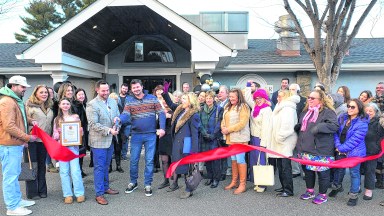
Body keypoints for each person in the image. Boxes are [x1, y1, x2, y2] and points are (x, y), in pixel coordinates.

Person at [0, 75, 38, 216]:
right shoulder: (7, 102)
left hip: (13, 144)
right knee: (10, 176)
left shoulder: (13, 100)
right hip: (9, 145)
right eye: (22, 87)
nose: (24, 90)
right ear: (13, 86)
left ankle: (16, 201)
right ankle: (12, 207)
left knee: (14, 175)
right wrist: (27, 137)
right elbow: (9, 126)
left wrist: (30, 121)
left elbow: (18, 117)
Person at [123, 79, 165, 197]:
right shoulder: (129, 100)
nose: (136, 89)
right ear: (131, 90)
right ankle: (133, 182)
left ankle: (148, 184)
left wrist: (162, 128)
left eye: (137, 87)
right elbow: (125, 115)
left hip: (150, 135)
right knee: (133, 160)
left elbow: (161, 113)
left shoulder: (152, 98)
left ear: (142, 87)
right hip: (136, 135)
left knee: (149, 160)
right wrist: (118, 120)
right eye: (134, 88)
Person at [296, 90, 339, 205]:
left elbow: (334, 126)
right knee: (308, 172)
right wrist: (298, 127)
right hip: (305, 148)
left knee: (322, 174)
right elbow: (303, 127)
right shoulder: (305, 112)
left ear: (321, 100)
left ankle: (322, 194)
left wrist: (320, 127)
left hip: (321, 150)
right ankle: (310, 191)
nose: (309, 99)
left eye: (313, 98)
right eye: (309, 97)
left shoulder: (328, 112)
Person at [162, 86, 200, 198]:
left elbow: (195, 134)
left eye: (184, 99)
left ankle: (189, 189)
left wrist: (194, 150)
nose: (181, 100)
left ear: (190, 101)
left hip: (186, 144)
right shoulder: (180, 110)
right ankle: (183, 186)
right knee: (179, 166)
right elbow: (170, 103)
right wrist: (165, 92)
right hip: (178, 143)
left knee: (187, 167)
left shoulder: (194, 115)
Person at [86, 80, 120, 205]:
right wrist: (109, 130)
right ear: (97, 90)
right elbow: (93, 124)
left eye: (107, 90)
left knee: (106, 165)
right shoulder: (92, 105)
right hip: (99, 141)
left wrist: (117, 121)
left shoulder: (112, 101)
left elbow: (117, 116)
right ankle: (99, 194)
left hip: (110, 139)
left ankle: (106, 187)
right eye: (103, 91)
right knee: (99, 167)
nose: (106, 93)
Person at [332, 99, 368, 206]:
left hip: (355, 153)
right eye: (348, 106)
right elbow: (336, 132)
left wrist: (341, 148)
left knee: (354, 174)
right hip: (340, 149)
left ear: (359, 108)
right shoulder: (342, 117)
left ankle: (353, 195)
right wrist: (338, 146)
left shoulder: (362, 123)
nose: (349, 109)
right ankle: (337, 187)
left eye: (353, 107)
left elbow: (355, 140)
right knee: (338, 171)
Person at [52, 97, 85, 204]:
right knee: (64, 172)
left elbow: (81, 133)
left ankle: (79, 193)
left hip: (73, 148)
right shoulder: (57, 119)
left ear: (70, 105)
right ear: (60, 106)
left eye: (67, 103)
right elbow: (54, 136)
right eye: (63, 104)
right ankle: (67, 194)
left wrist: (80, 131)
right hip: (62, 148)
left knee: (75, 171)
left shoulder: (75, 117)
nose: (65, 105)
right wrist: (60, 132)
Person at [25, 85, 54, 200]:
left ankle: (42, 190)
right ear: (35, 93)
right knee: (30, 166)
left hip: (44, 141)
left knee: (42, 166)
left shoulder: (49, 107)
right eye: (41, 92)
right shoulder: (29, 106)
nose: (44, 94)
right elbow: (23, 122)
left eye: (46, 92)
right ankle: (32, 192)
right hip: (31, 140)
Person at [269, 90, 299, 197]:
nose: (278, 98)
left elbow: (288, 126)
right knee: (281, 166)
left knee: (286, 167)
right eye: (278, 96)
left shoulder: (288, 108)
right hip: (280, 142)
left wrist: (279, 137)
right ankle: (284, 187)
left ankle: (288, 190)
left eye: (280, 96)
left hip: (285, 142)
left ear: (286, 97)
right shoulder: (281, 106)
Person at [244, 85, 272, 193]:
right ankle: (257, 181)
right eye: (256, 98)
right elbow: (247, 97)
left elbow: (266, 127)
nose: (258, 100)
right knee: (255, 160)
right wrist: (249, 87)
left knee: (262, 160)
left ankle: (263, 184)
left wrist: (263, 143)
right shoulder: (255, 106)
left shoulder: (267, 109)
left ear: (264, 98)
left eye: (260, 98)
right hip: (254, 137)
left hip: (261, 138)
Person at [222, 88, 250, 195]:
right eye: (230, 97)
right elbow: (223, 120)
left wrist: (228, 129)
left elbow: (242, 123)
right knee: (233, 159)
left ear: (239, 97)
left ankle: (242, 184)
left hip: (240, 138)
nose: (231, 98)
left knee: (240, 159)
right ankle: (234, 181)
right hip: (230, 138)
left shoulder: (244, 107)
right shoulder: (228, 106)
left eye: (233, 97)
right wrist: (223, 127)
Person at [200, 90, 223, 189]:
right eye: (207, 98)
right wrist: (204, 133)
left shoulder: (219, 109)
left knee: (215, 160)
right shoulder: (201, 109)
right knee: (207, 159)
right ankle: (210, 177)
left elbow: (219, 123)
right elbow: (199, 123)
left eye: (210, 98)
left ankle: (216, 179)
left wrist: (213, 135)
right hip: (204, 138)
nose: (208, 100)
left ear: (213, 99)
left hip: (214, 138)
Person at [362, 103, 384, 202]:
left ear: (375, 112)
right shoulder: (361, 121)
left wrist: (378, 145)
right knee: (357, 170)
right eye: (366, 110)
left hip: (372, 151)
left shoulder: (379, 123)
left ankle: (368, 190)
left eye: (370, 111)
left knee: (370, 171)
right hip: (359, 150)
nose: (368, 113)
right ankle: (356, 188)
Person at [289, 83, 306, 178]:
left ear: (298, 91)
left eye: (293, 89)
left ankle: (305, 172)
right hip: (291, 130)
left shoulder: (304, 101)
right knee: (293, 151)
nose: (291, 91)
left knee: (302, 152)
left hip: (301, 130)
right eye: (290, 89)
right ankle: (295, 170)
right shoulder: (288, 101)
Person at [72, 88, 89, 177]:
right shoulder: (75, 106)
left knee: (82, 151)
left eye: (83, 94)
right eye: (79, 95)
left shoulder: (85, 105)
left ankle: (80, 169)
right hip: (78, 131)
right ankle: (78, 171)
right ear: (76, 96)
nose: (81, 96)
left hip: (84, 130)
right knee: (78, 151)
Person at [107, 92, 124, 173]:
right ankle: (109, 166)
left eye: (116, 99)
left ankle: (118, 165)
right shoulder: (107, 107)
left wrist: (118, 128)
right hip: (109, 131)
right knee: (109, 149)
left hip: (118, 131)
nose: (115, 101)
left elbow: (122, 119)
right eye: (113, 99)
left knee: (118, 149)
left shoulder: (120, 108)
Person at [217, 85, 231, 179]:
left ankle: (224, 172)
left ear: (227, 94)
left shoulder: (229, 104)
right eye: (219, 92)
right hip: (218, 132)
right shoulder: (218, 104)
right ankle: (221, 170)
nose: (219, 94)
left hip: (226, 132)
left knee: (225, 153)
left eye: (222, 92)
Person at [45, 86, 59, 173]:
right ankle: (49, 164)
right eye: (48, 92)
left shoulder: (56, 103)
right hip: (48, 128)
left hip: (55, 127)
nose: (50, 94)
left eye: (51, 92)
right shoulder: (44, 104)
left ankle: (58, 163)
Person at [118, 83, 129, 161]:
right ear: (121, 88)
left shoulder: (130, 98)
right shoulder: (115, 98)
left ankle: (123, 155)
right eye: (123, 88)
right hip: (117, 121)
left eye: (126, 89)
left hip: (127, 122)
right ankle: (116, 154)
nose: (124, 90)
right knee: (117, 138)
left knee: (125, 138)